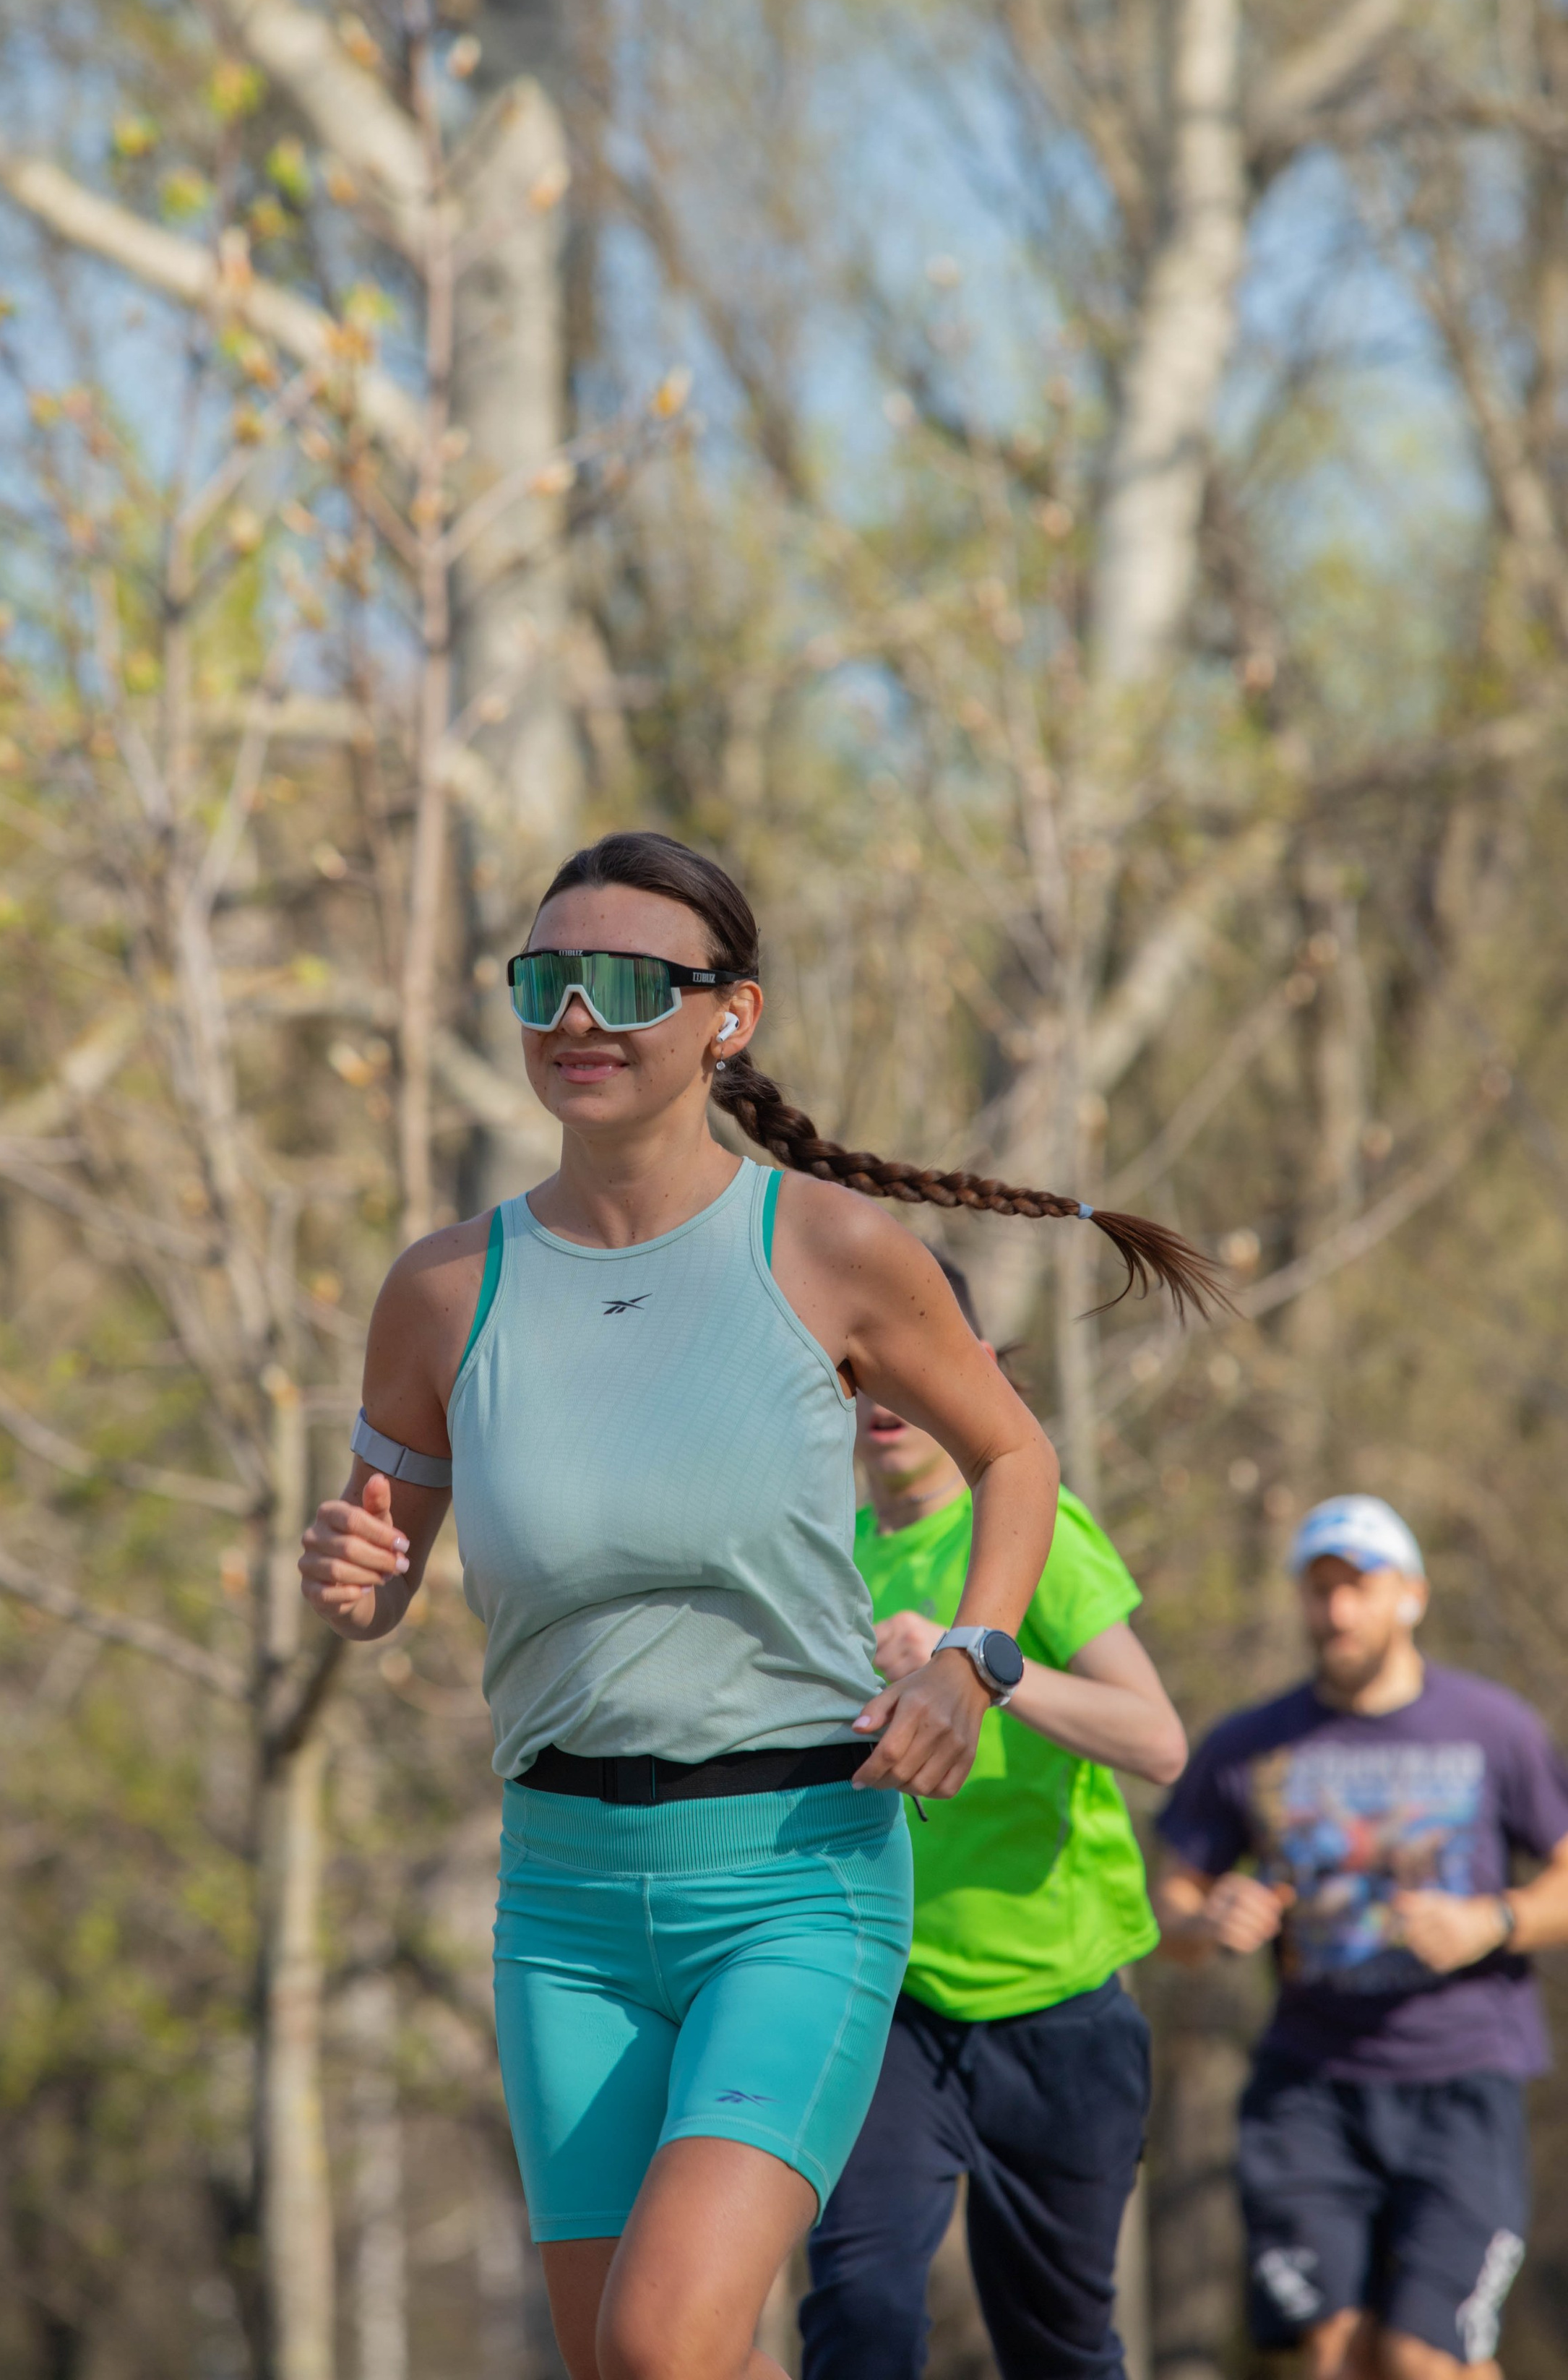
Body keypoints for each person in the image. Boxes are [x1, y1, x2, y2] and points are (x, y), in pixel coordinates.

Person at [298, 830, 1221, 2380]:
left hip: (790, 1883)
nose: (575, 1016)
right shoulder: (442, 1291)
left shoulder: (828, 1250)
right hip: (562, 1902)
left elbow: (1012, 1450)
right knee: (638, 2365)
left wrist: (978, 1662)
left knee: (666, 2342)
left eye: (626, 984)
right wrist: (354, 1582)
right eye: (544, 980)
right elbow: (379, 1570)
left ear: (730, 1016)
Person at [801, 1260, 1188, 2380]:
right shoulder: (823, 1562)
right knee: (860, 2311)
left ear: (974, 1373)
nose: (881, 1394)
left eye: (907, 1363)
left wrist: (979, 1663)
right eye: (853, 1366)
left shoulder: (1032, 1534)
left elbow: (1157, 1740)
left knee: (1056, 2350)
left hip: (1057, 2010)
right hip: (890, 2008)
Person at [1155, 1493, 1568, 2380]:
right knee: (1336, 2353)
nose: (1337, 1610)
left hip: (1463, 2081)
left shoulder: (1493, 1730)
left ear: (1410, 1595)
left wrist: (1492, 1920)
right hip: (1309, 2085)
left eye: (1359, 1586)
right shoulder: (1247, 1745)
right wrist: (1206, 1916)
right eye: (1319, 1589)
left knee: (1424, 2355)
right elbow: (1169, 1907)